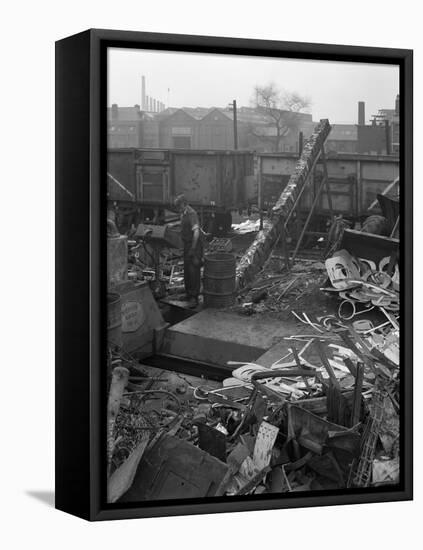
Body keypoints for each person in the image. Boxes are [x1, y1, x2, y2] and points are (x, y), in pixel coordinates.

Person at [174, 194, 203, 307]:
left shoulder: (191, 213)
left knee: (193, 271)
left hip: (194, 246)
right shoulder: (184, 213)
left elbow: (196, 232)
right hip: (187, 244)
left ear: (184, 204)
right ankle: (188, 293)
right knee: (187, 270)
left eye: (179, 206)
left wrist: (193, 248)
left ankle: (194, 297)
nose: (178, 209)